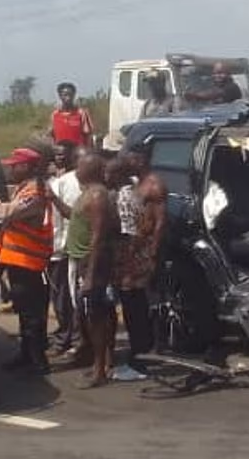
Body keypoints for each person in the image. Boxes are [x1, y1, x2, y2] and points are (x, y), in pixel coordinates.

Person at [0, 147, 53, 375]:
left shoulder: (34, 192)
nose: (11, 169)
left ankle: (37, 361)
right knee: (25, 312)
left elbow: (5, 212)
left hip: (29, 262)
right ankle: (26, 355)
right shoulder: (25, 188)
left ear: (27, 166)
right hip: (18, 260)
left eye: (15, 165)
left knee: (32, 315)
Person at [65, 154, 118, 388]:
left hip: (92, 263)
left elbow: (98, 237)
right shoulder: (87, 193)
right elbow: (75, 217)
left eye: (80, 166)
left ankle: (99, 370)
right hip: (83, 261)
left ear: (90, 170)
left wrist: (90, 275)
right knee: (94, 314)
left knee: (95, 316)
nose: (76, 170)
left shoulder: (97, 196)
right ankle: (103, 363)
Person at [112, 150, 168, 368]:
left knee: (140, 303)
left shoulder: (153, 185)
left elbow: (160, 222)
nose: (127, 163)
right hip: (133, 250)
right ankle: (139, 348)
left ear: (141, 160)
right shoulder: (137, 184)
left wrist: (152, 252)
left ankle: (146, 350)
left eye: (130, 160)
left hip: (143, 251)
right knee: (131, 302)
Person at [45, 141, 86, 357]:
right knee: (64, 297)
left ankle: (73, 340)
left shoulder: (87, 184)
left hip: (73, 249)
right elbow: (54, 220)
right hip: (62, 248)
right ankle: (67, 337)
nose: (59, 158)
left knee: (72, 298)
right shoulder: (61, 182)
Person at [47, 83, 95, 148]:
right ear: (60, 96)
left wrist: (88, 151)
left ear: (74, 95)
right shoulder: (55, 115)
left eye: (70, 95)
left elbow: (88, 135)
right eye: (65, 95)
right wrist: (53, 149)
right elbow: (51, 135)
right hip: (59, 152)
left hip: (78, 152)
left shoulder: (81, 113)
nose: (68, 98)